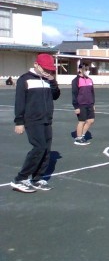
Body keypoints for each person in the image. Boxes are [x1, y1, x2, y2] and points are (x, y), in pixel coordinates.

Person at [11, 53, 61, 193]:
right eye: (45, 68)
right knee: (39, 147)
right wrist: (19, 121)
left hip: (47, 119)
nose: (47, 71)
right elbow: (19, 101)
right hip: (32, 120)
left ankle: (37, 178)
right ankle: (20, 179)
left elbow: (56, 96)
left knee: (46, 150)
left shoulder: (47, 79)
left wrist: (52, 81)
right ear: (36, 65)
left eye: (50, 69)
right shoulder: (24, 79)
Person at [71, 62, 95, 145]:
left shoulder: (89, 80)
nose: (87, 71)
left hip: (90, 104)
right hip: (81, 104)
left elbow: (92, 93)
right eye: (86, 69)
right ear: (80, 70)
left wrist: (93, 104)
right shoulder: (76, 80)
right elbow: (74, 94)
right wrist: (76, 107)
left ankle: (82, 135)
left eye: (88, 69)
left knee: (91, 120)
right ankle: (78, 138)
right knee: (81, 121)